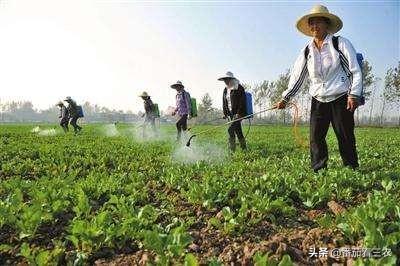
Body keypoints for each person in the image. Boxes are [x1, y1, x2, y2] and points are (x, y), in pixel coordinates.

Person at [275, 5, 362, 172]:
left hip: (340, 98)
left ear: (326, 24)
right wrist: (285, 98)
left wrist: (354, 94)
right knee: (315, 138)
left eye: (318, 22)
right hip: (318, 99)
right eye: (311, 23)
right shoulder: (307, 50)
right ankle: (319, 169)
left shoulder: (340, 43)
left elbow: (354, 71)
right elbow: (298, 78)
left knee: (345, 136)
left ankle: (351, 168)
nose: (314, 26)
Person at [219, 71, 247, 152]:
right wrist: (225, 113)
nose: (226, 81)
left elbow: (242, 101)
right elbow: (224, 102)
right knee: (238, 130)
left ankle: (232, 149)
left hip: (239, 113)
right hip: (231, 113)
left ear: (231, 79)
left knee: (230, 130)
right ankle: (244, 148)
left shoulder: (239, 88)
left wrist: (239, 113)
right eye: (224, 80)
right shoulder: (225, 90)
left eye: (227, 79)